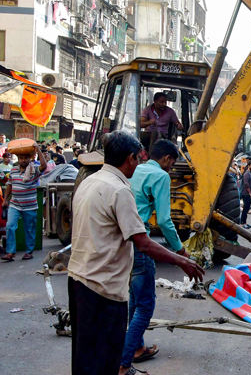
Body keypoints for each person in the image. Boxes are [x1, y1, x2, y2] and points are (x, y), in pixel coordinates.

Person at [66, 131, 203, 375]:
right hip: (102, 287)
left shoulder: (89, 181)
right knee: (106, 355)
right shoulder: (120, 190)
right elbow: (143, 243)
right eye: (137, 160)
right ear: (130, 158)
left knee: (85, 354)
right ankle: (124, 362)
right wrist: (182, 259)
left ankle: (130, 354)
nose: (138, 165)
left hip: (78, 278)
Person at [121, 139, 190, 372]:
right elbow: (164, 220)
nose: (171, 168)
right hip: (141, 243)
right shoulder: (161, 176)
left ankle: (138, 348)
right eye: (172, 164)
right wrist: (180, 250)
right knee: (145, 306)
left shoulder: (135, 169)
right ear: (167, 159)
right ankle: (123, 360)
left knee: (134, 300)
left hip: (124, 243)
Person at [0, 142, 47, 261]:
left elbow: (44, 166)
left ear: (29, 158)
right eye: (21, 158)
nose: (23, 160)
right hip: (15, 205)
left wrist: (38, 150)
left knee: (29, 229)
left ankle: (29, 252)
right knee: (10, 226)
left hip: (30, 206)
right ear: (18, 159)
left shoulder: (34, 170)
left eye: (25, 158)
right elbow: (10, 185)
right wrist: (5, 200)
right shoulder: (14, 171)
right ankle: (10, 252)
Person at [241, 161, 251, 228]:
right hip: (246, 194)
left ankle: (245, 222)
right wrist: (250, 193)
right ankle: (242, 223)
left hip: (249, 194)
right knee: (245, 208)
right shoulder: (247, 174)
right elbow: (246, 184)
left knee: (247, 208)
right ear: (249, 166)